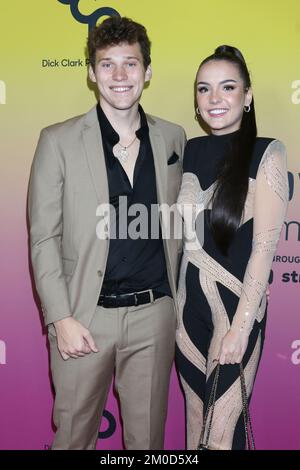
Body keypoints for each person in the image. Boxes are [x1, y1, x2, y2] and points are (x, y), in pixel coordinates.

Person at [28, 16, 186, 450]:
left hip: (154, 315)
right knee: (74, 439)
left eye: (130, 64)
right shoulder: (57, 141)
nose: (119, 76)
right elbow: (43, 238)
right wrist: (60, 318)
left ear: (147, 72)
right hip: (83, 316)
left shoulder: (173, 138)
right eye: (107, 64)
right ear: (90, 73)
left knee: (148, 444)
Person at [176, 45, 288, 450]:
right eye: (204, 89)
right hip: (186, 310)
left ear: (248, 95)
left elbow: (264, 250)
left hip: (237, 309)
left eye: (227, 87)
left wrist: (241, 328)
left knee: (221, 435)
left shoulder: (267, 152)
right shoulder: (187, 149)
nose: (215, 99)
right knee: (195, 427)